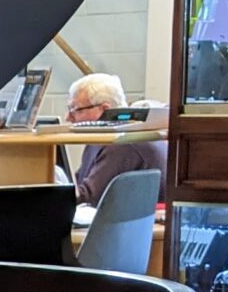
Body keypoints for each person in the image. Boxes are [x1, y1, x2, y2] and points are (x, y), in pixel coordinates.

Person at [65, 71, 166, 208]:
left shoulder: (122, 143)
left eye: (76, 110)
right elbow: (79, 184)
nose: (68, 118)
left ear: (105, 109)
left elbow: (89, 198)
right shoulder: (100, 138)